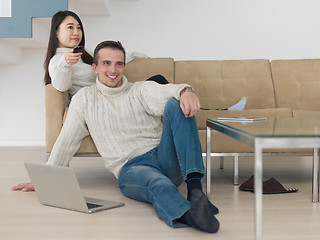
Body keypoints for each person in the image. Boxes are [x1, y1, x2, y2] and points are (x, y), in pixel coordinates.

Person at [12, 40, 220, 233]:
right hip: (132, 168)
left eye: (119, 64)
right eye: (106, 63)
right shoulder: (84, 99)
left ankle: (195, 191)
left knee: (177, 102)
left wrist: (185, 91)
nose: (113, 70)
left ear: (123, 67)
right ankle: (188, 215)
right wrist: (45, 179)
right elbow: (66, 141)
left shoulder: (139, 90)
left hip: (163, 157)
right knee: (158, 184)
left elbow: (168, 92)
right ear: (95, 67)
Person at [44, 10, 168, 98]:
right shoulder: (57, 61)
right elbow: (61, 87)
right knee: (159, 86)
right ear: (56, 32)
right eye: (70, 27)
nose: (76, 32)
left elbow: (109, 58)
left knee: (158, 82)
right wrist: (64, 62)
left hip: (113, 95)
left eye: (79, 27)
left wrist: (138, 55)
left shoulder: (84, 53)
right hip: (99, 102)